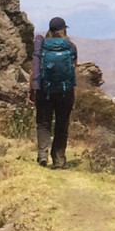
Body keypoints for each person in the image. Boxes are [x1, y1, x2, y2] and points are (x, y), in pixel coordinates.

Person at [32, 16, 78, 168]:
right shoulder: (70, 47)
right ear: (64, 29)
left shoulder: (42, 45)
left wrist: (32, 89)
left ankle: (42, 155)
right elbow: (74, 68)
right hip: (65, 91)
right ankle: (59, 160)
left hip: (44, 90)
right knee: (61, 124)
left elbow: (36, 69)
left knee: (43, 123)